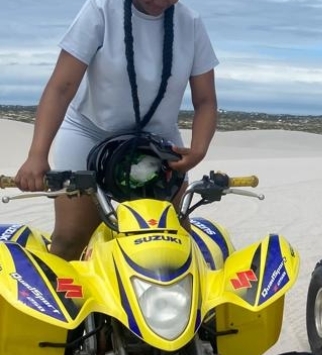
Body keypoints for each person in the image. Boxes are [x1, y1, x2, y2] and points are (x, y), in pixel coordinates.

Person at [14, 0, 218, 262]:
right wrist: (37, 156)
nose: (162, 2)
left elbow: (205, 101)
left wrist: (199, 150)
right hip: (89, 134)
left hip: (158, 144)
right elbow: (61, 88)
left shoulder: (190, 23)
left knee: (175, 240)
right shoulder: (100, 10)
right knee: (70, 240)